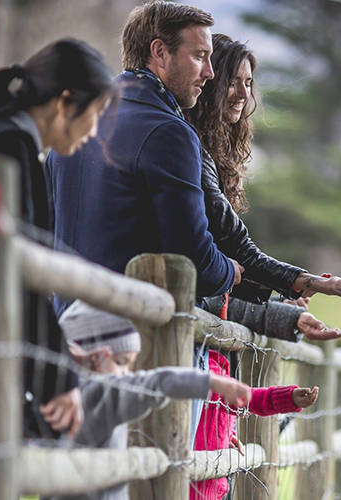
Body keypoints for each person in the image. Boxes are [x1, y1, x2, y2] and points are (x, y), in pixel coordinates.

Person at [0, 38, 115, 438]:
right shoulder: (12, 148)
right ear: (65, 104)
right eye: (96, 114)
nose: (94, 131)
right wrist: (57, 378)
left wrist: (56, 352)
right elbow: (21, 275)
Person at [184, 34, 341, 344]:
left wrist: (288, 312)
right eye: (232, 81)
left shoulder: (215, 155)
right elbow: (236, 251)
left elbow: (226, 283)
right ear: (209, 80)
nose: (241, 94)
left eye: (248, 83)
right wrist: (314, 283)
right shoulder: (189, 150)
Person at [46, 0, 239, 309]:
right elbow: (193, 259)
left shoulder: (74, 122)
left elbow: (45, 229)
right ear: (159, 52)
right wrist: (229, 271)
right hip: (131, 338)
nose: (211, 72)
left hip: (62, 330)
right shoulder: (169, 131)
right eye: (200, 56)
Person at [56, 301, 253, 500]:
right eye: (120, 362)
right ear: (95, 357)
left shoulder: (64, 395)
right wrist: (210, 381)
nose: (126, 375)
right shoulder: (100, 395)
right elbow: (157, 383)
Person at [190, 348, 318, 500]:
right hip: (194, 486)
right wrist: (286, 398)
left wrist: (224, 434)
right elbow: (236, 398)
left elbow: (216, 408)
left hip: (210, 483)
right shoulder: (198, 363)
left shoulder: (207, 359)